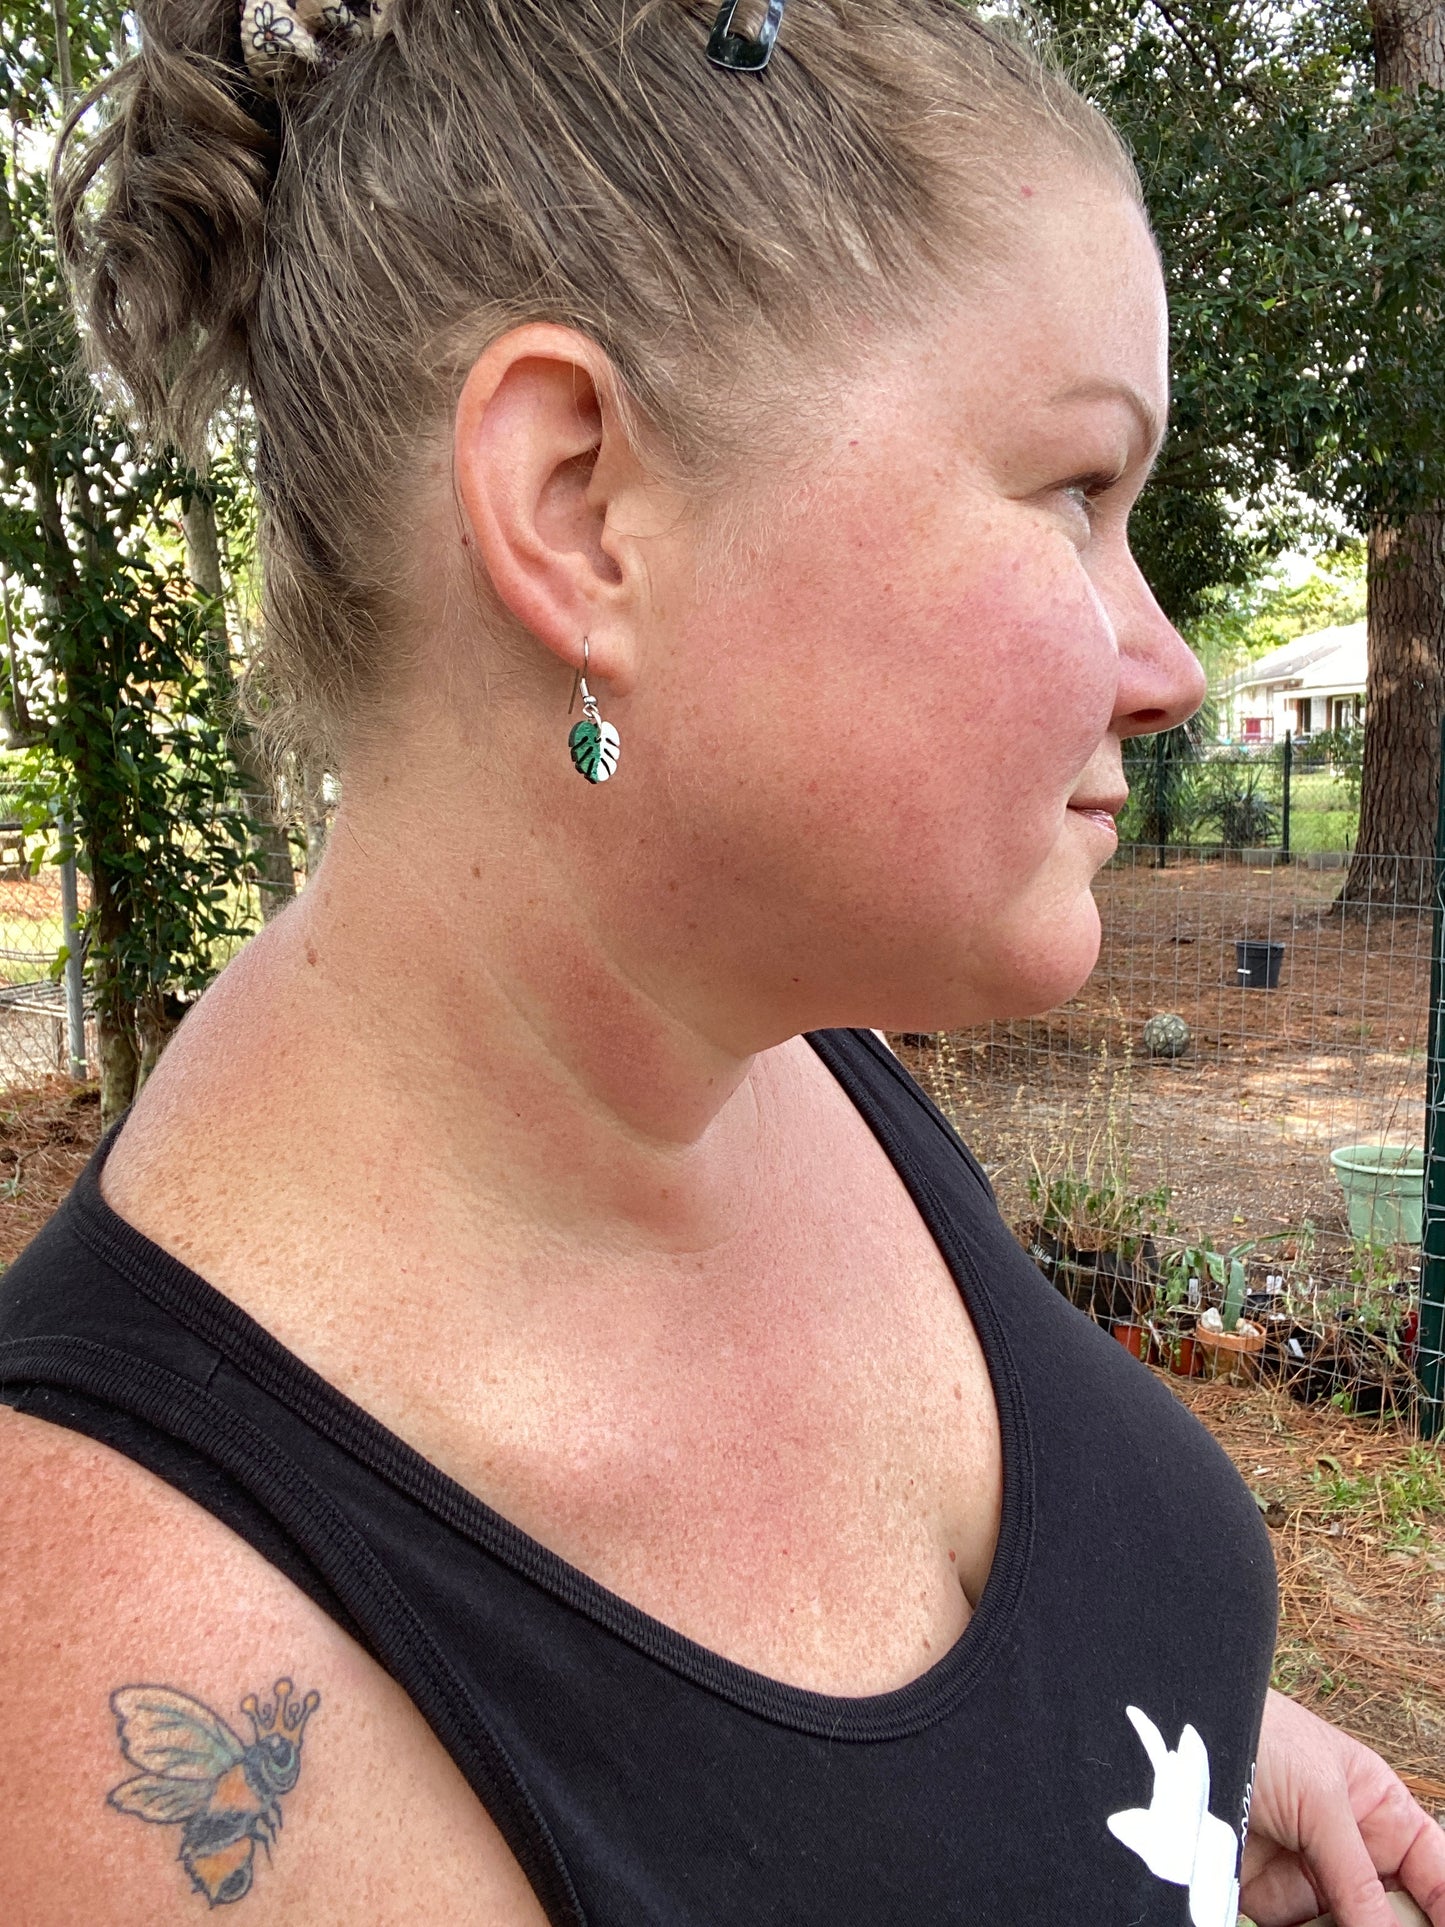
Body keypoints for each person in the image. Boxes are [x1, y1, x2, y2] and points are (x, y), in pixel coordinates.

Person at [1, 0, 1441, 1921]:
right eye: (1076, 497)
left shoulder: (772, 1050)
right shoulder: (141, 1661)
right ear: (578, 504)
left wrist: (1195, 1756)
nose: (1165, 659)